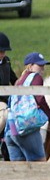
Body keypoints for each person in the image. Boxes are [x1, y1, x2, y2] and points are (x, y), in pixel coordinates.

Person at [5, 52, 50, 162]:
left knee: (18, 172)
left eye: (44, 65)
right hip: (26, 128)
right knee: (39, 165)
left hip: (11, 130)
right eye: (40, 65)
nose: (43, 69)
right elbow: (40, 99)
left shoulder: (19, 81)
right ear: (30, 66)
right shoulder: (36, 77)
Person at [0, 33, 14, 161]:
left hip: (7, 100)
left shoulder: (7, 61)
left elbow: (14, 80)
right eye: (0, 51)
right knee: (3, 114)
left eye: (4, 51)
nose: (2, 54)